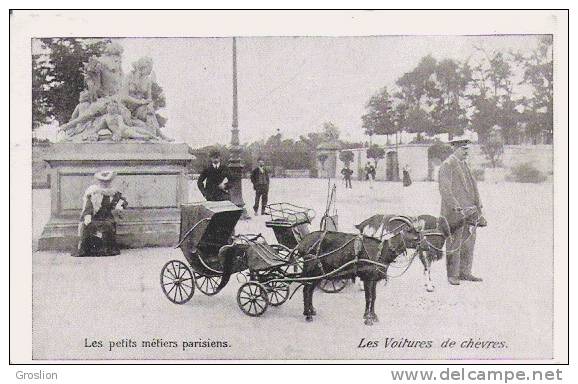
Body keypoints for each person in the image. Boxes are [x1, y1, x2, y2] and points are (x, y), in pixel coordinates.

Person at [438, 139, 484, 286]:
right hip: (455, 213)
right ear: (455, 149)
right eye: (464, 149)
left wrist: (478, 204)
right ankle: (453, 275)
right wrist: (456, 208)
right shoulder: (447, 165)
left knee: (469, 242)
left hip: (471, 212)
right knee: (454, 243)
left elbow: (473, 186)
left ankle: (465, 272)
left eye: (467, 149)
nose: (467, 152)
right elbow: (445, 190)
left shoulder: (464, 164)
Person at [76, 170, 128, 257]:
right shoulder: (94, 192)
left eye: (107, 181)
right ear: (99, 182)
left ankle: (106, 249)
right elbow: (88, 206)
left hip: (107, 216)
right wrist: (87, 216)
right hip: (95, 216)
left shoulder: (114, 193)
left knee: (107, 225)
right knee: (89, 225)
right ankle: (91, 249)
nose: (105, 183)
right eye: (103, 181)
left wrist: (119, 207)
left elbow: (123, 202)